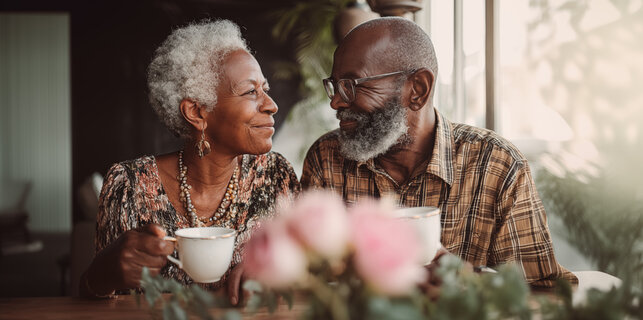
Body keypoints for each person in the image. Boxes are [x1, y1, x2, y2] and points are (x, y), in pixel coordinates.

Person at [301, 17, 576, 287]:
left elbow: (538, 294)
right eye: (335, 87)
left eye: (351, 85)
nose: (336, 102)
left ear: (418, 89)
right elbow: (306, 282)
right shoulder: (327, 160)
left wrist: (469, 284)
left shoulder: (497, 166)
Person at [80, 20, 300, 302]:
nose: (271, 104)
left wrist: (277, 276)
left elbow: (305, 282)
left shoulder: (276, 177)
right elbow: (90, 301)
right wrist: (102, 273)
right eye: (250, 92)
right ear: (197, 112)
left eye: (265, 89)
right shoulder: (128, 186)